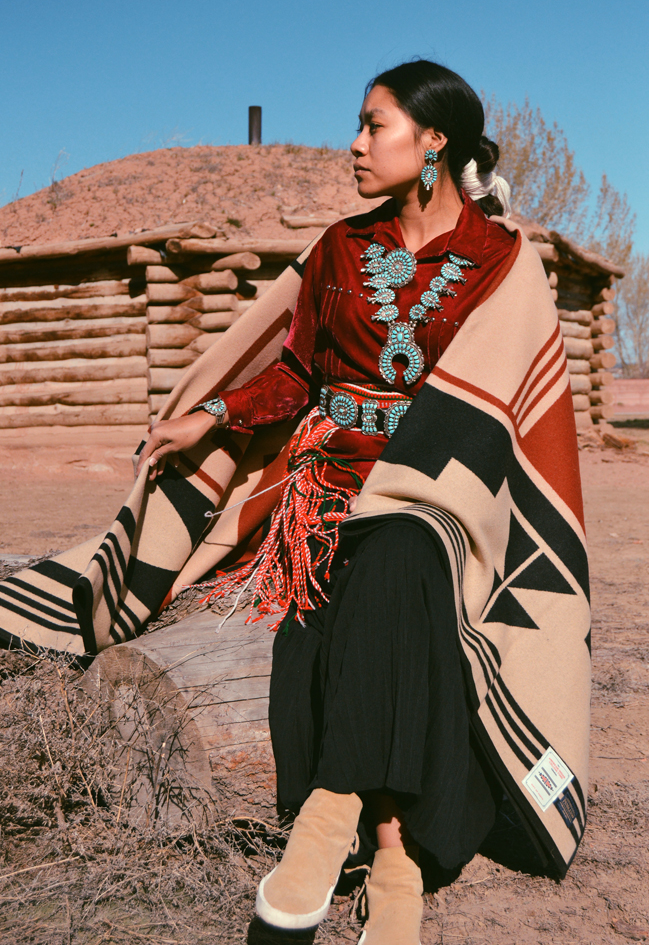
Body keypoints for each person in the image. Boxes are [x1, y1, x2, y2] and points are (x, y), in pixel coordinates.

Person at [137, 60, 587, 944]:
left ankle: (326, 812)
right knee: (351, 593)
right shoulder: (341, 248)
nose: (352, 142)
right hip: (328, 485)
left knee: (403, 546)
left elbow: (516, 411)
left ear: (432, 144)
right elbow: (299, 371)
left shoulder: (503, 261)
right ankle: (392, 845)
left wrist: (419, 480)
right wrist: (218, 412)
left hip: (450, 496)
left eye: (372, 124)